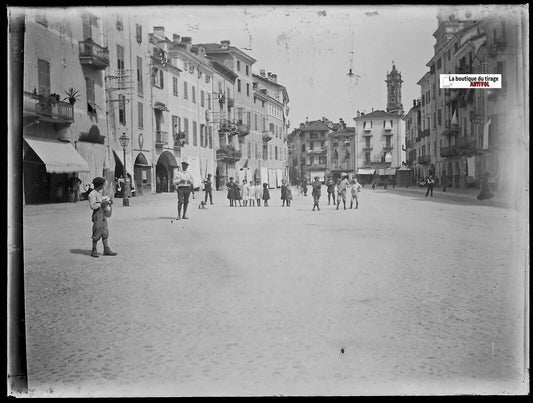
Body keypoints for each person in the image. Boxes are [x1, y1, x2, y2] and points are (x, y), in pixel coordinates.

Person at [88, 177, 117, 258]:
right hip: (97, 215)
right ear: (100, 185)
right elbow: (93, 206)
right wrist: (102, 203)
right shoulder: (92, 194)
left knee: (104, 232)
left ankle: (106, 249)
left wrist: (109, 202)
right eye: (102, 185)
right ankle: (94, 250)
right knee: (97, 232)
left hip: (102, 214)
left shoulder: (99, 193)